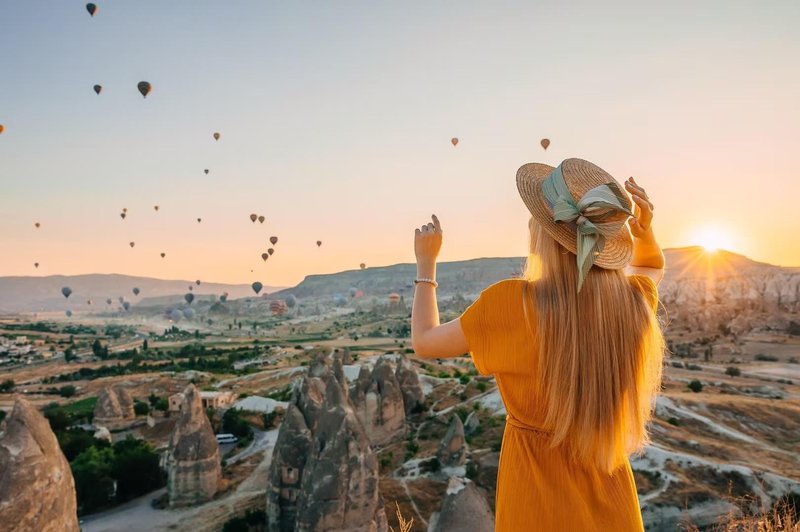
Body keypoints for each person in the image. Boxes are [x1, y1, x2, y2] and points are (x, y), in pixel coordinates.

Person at [411, 158, 665, 531]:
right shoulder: (632, 303)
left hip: (534, 501)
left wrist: (425, 265)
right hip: (613, 505)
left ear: (544, 234)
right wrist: (645, 234)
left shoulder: (511, 305)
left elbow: (425, 341)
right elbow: (651, 267)